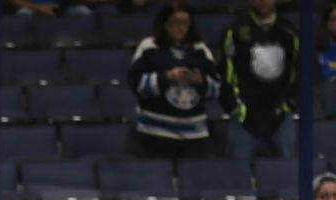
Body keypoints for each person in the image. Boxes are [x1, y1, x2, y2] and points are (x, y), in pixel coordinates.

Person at [126, 1, 222, 159]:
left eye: (185, 23)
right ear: (165, 24)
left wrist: (200, 81)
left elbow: (216, 89)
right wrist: (167, 77)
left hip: (194, 136)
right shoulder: (149, 47)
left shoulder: (200, 49)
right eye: (175, 22)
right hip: (155, 134)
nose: (180, 27)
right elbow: (136, 84)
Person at [218, 0, 299, 160]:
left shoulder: (290, 31)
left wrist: (289, 104)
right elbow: (225, 73)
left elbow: (299, 71)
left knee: (288, 171)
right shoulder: (234, 30)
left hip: (280, 113)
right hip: (244, 115)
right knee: (238, 175)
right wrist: (235, 106)